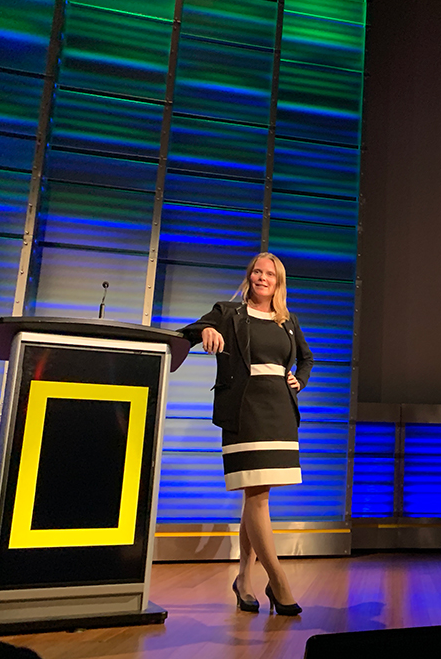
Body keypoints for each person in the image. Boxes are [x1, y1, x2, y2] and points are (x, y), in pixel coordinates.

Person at [180, 252, 313, 616]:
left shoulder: (287, 321)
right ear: (249, 276)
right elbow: (187, 332)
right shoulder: (228, 312)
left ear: (278, 282)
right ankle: (279, 581)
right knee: (257, 496)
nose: (262, 277)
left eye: (270, 273)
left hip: (280, 412)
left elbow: (307, 358)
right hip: (244, 409)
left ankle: (243, 580)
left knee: (258, 495)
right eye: (257, 271)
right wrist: (204, 330)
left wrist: (297, 381)